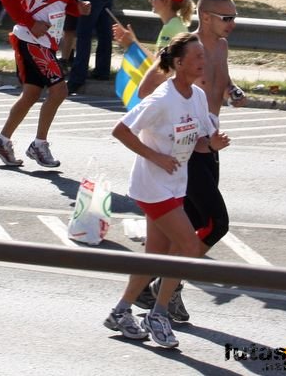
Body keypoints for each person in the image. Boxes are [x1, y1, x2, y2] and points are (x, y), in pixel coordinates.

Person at [106, 32, 230, 348]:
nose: (204, 61)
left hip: (176, 184)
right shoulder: (162, 100)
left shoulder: (197, 97)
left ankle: (120, 312)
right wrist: (156, 156)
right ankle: (158, 314)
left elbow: (199, 142)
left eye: (205, 55)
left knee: (156, 255)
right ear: (178, 63)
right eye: (198, 57)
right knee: (188, 247)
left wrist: (211, 144)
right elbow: (120, 130)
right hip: (152, 186)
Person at [132, 0, 247, 321]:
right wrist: (174, 122)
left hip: (210, 146)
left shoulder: (221, 48)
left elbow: (218, 81)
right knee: (216, 224)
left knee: (194, 223)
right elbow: (145, 93)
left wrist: (232, 91)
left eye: (234, 17)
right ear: (207, 17)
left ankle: (149, 285)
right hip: (185, 150)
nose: (233, 24)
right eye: (227, 18)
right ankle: (168, 288)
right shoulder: (184, 49)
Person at [0, 0, 90, 168]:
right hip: (30, 40)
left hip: (48, 41)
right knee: (59, 90)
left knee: (31, 94)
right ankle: (39, 145)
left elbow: (66, 5)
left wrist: (79, 8)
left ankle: (1, 141)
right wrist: (31, 23)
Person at [112, 0, 194, 59]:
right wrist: (134, 42)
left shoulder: (170, 28)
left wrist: (132, 44)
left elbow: (158, 66)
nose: (150, 0)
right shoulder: (175, 24)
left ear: (167, 1)